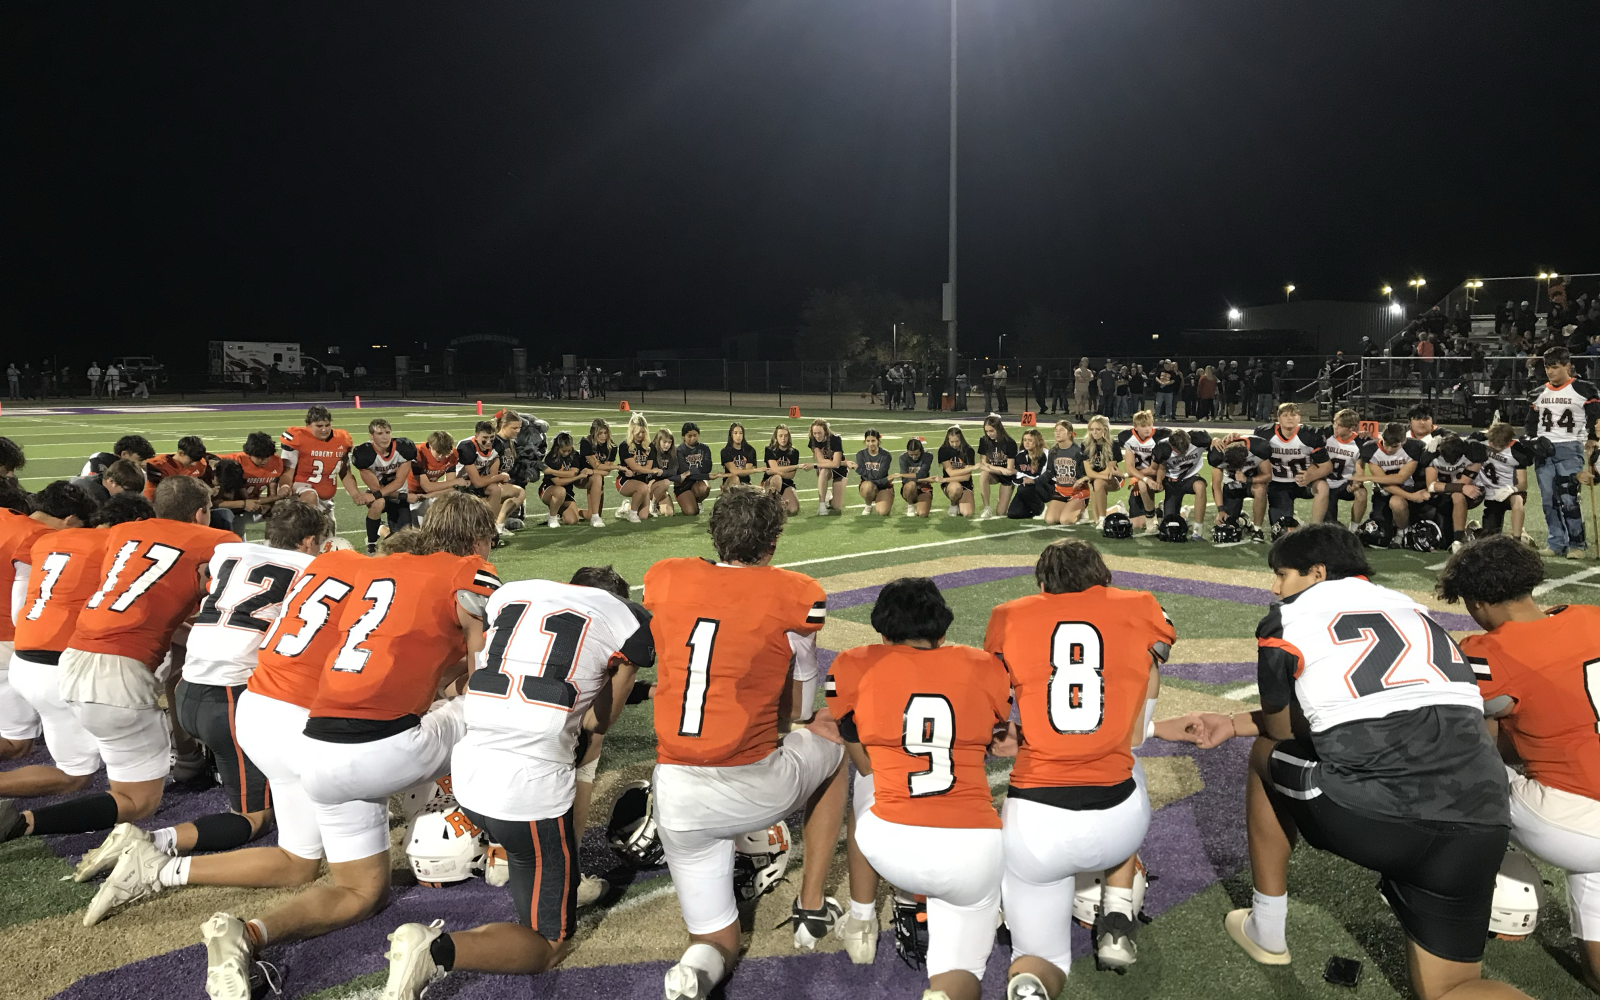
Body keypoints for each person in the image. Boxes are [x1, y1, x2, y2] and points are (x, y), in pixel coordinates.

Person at [1156, 524, 1525, 1000]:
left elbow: (1283, 729)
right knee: (1455, 987)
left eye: (1282, 574)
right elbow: (1355, 704)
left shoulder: (1290, 617)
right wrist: (1231, 719)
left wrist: (1238, 725)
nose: (1275, 587)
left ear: (1317, 572)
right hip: (1482, 821)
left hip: (1380, 815)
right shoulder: (1417, 614)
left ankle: (1266, 925)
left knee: (1266, 756)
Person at [193, 492, 499, 999]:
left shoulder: (361, 568)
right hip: (385, 748)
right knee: (508, 709)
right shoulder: (468, 573)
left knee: (360, 893)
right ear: (478, 540)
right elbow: (487, 675)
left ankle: (248, 934)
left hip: (315, 745)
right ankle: (505, 848)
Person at [377, 566, 655, 999]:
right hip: (530, 796)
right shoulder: (621, 621)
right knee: (549, 944)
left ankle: (511, 861)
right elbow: (598, 724)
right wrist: (622, 674)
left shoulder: (515, 597)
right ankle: (436, 950)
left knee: (530, 860)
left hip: (468, 775)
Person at [80, 502, 335, 924]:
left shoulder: (232, 553)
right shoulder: (311, 571)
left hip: (186, 688)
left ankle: (141, 836)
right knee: (256, 818)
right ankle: (155, 847)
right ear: (310, 541)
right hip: (231, 699)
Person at [645, 486, 846, 999]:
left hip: (676, 790)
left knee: (715, 937)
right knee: (834, 742)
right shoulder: (794, 592)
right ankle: (812, 902)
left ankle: (696, 973)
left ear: (715, 533)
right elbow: (801, 710)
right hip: (753, 783)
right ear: (773, 541)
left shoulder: (666, 577)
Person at [0, 477, 236, 849]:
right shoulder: (218, 541)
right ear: (201, 512)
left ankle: (184, 759)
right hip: (116, 671)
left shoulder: (117, 536)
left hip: (71, 656)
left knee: (82, 769)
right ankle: (20, 824)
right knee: (137, 800)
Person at [987, 539, 1174, 992]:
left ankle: (1032, 979)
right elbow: (1155, 656)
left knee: (1037, 958)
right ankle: (1117, 912)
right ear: (1103, 575)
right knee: (1130, 762)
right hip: (1118, 819)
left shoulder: (1008, 616)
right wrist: (1137, 728)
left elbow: (995, 703)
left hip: (1035, 819)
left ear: (1041, 583)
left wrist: (1010, 732)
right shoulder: (1142, 606)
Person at [827, 578, 1010, 1000]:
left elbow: (856, 740)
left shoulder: (856, 664)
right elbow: (997, 734)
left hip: (889, 843)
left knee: (868, 783)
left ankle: (861, 920)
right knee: (961, 970)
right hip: (972, 848)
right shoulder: (982, 665)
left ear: (883, 632)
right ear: (942, 631)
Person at [1441, 536, 1600, 994]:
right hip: (1586, 818)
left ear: (1475, 600)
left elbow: (1463, 736)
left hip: (1571, 821)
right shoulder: (1591, 616)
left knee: (1449, 767)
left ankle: (1472, 890)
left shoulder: (1487, 652)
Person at [4, 490, 147, 792]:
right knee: (76, 774)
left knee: (24, 744)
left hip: (24, 658)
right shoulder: (115, 547)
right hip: (58, 668)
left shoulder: (49, 540)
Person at [0, 482, 95, 764]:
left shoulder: (5, 516)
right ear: (69, 520)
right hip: (4, 641)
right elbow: (23, 611)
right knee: (17, 743)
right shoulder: (37, 539)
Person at [1524, 347, 1599, 558]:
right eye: (1547, 367)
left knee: (1568, 497)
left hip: (1570, 447)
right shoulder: (1538, 393)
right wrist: (1532, 442)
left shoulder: (1584, 389)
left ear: (1568, 366)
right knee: (1548, 499)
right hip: (1544, 448)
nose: (1550, 371)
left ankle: (1577, 544)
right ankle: (1556, 542)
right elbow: (1530, 424)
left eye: (1555, 367)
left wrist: (1593, 439)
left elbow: (1595, 417)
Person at [1249, 402, 1331, 529]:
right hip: (1278, 483)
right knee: (1282, 529)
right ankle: (1291, 517)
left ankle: (1315, 528)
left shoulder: (1309, 435)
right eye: (1285, 415)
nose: (1290, 418)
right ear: (1278, 418)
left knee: (1323, 486)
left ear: (1299, 418)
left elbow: (1327, 466)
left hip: (1304, 483)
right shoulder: (1265, 434)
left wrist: (1310, 476)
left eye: (1293, 415)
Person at [278, 405, 360, 516]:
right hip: (301, 493)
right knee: (310, 498)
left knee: (327, 532)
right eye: (319, 426)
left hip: (326, 500)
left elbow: (345, 472)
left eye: (327, 425)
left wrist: (355, 494)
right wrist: (285, 486)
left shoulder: (342, 439)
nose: (324, 429)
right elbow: (287, 471)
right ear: (308, 425)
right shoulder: (298, 438)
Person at [1357, 421, 1431, 538]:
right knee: (1379, 534)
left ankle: (1402, 534)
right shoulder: (1371, 450)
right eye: (1386, 444)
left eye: (1394, 446)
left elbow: (1401, 478)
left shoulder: (1414, 447)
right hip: (1383, 494)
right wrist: (1412, 496)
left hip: (1408, 488)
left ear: (1404, 441)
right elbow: (1384, 483)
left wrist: (1412, 495)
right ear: (1382, 437)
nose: (1389, 449)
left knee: (1397, 502)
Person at [1468, 422, 1535, 543]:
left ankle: (1517, 538)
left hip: (1509, 491)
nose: (1498, 448)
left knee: (1518, 500)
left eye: (1502, 445)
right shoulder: (1478, 441)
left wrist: (1511, 490)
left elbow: (1523, 484)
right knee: (1490, 539)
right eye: (1494, 444)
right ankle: (1472, 529)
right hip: (1488, 493)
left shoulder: (1517, 451)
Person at [457, 419, 524, 535]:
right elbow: (477, 481)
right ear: (476, 436)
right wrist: (500, 477)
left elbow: (492, 475)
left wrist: (496, 478)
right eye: (485, 438)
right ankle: (484, 527)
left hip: (481, 483)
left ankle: (496, 526)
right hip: (462, 486)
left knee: (518, 492)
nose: (489, 442)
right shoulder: (467, 447)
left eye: (491, 438)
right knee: (494, 488)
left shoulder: (497, 445)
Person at [1422, 433, 1484, 549]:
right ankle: (1469, 531)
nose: (1451, 463)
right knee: (1443, 542)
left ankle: (1458, 541)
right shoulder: (1432, 455)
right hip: (1443, 496)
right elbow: (1430, 486)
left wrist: (1454, 487)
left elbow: (1465, 483)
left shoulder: (1473, 455)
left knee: (1457, 495)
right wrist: (1459, 487)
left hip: (1471, 493)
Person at [1116, 411, 1171, 534]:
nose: (1147, 429)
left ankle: (1151, 521)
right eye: (1143, 426)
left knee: (1142, 484)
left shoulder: (1159, 437)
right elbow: (1129, 467)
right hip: (1142, 475)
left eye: (1149, 425)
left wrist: (1134, 475)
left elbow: (1154, 468)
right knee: (1137, 525)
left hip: (1161, 474)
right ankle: (1156, 512)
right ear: (1135, 427)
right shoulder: (1128, 438)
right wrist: (1140, 477)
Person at [1150, 428, 1211, 535]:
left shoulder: (1199, 439)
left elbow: (1213, 446)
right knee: (1171, 521)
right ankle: (1181, 512)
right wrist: (1159, 481)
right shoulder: (1163, 447)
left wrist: (1215, 441)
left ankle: (1198, 530)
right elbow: (1161, 467)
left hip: (1190, 477)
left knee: (1200, 486)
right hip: (1172, 482)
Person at [1317, 409, 1368, 527]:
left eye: (1340, 425)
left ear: (1351, 428)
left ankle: (1354, 529)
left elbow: (1360, 468)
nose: (1335, 427)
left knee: (1361, 493)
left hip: (1345, 482)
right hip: (1325, 481)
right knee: (1329, 525)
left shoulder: (1360, 443)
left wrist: (1356, 483)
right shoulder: (1325, 434)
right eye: (1334, 422)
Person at [1044, 421, 1090, 526]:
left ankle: (1082, 511)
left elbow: (1089, 474)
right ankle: (1067, 509)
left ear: (1070, 433)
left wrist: (1081, 480)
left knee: (1065, 521)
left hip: (1078, 492)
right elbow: (1049, 473)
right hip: (1061, 491)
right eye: (1055, 431)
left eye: (1061, 430)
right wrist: (1034, 482)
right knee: (1050, 520)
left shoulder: (1079, 452)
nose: (1057, 433)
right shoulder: (1053, 451)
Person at [577, 419, 621, 529]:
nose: (603, 436)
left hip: (595, 478)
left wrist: (592, 471)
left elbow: (606, 471)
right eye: (600, 433)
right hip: (581, 477)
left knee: (589, 514)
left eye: (605, 433)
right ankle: (595, 517)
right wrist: (616, 466)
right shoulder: (586, 442)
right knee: (597, 477)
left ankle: (573, 512)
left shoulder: (612, 447)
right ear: (593, 433)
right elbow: (597, 465)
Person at [1080, 415, 1123, 527]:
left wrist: (1091, 477)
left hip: (1115, 479)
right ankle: (1117, 509)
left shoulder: (1113, 444)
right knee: (1095, 519)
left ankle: (1103, 520)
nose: (1094, 432)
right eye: (1092, 429)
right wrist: (1091, 477)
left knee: (1098, 483)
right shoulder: (1085, 444)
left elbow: (1110, 471)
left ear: (1105, 430)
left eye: (1098, 429)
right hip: (1096, 479)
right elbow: (1088, 472)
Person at [407, 430, 459, 521]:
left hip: (430, 494)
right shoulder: (418, 453)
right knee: (414, 531)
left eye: (445, 453)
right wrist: (456, 482)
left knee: (454, 496)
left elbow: (452, 487)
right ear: (431, 446)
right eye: (439, 452)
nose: (442, 456)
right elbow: (427, 487)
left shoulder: (452, 454)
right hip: (410, 495)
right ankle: (382, 529)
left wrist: (429, 495)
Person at [1004, 428, 1054, 521]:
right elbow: (1015, 479)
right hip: (1026, 488)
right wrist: (1023, 478)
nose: (1026, 443)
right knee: (1013, 513)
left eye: (1030, 440)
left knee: (1024, 488)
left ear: (1037, 442)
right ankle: (1035, 510)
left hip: (1046, 487)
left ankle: (1042, 510)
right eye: (1025, 440)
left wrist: (1024, 477)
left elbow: (1042, 477)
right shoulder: (1020, 455)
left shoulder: (1046, 454)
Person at [975, 414, 1019, 520]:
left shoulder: (1010, 443)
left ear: (998, 429)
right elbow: (983, 463)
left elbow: (1008, 470)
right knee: (984, 475)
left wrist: (996, 469)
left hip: (1007, 478)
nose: (989, 434)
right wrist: (999, 469)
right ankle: (987, 507)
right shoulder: (984, 441)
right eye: (986, 431)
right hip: (994, 473)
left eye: (991, 431)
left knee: (1000, 512)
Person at [537, 432, 585, 527]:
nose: (566, 453)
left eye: (569, 450)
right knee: (560, 491)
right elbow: (557, 482)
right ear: (557, 447)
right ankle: (552, 518)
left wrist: (552, 471)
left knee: (572, 521)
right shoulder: (550, 457)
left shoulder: (574, 454)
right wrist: (578, 477)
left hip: (567, 492)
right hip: (549, 489)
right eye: (564, 451)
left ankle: (558, 510)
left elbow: (573, 472)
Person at [617, 413, 658, 523]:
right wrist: (652, 471)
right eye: (638, 432)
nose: (640, 435)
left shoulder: (650, 446)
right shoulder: (624, 445)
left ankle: (627, 507)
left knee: (644, 516)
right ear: (632, 431)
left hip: (642, 481)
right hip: (625, 481)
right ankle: (632, 514)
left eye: (643, 432)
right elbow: (635, 467)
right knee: (643, 487)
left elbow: (647, 466)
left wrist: (646, 470)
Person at [763, 424, 808, 516]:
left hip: (786, 483)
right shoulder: (770, 449)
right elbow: (775, 469)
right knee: (777, 478)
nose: (783, 438)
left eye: (786, 436)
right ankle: (770, 505)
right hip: (771, 482)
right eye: (780, 436)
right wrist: (796, 466)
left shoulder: (794, 452)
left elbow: (790, 475)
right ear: (776, 437)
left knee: (793, 509)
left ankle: (779, 503)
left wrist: (774, 471)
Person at [807, 419, 847, 516]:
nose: (817, 436)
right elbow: (821, 461)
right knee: (823, 470)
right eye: (814, 433)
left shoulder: (835, 439)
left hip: (839, 470)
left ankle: (828, 497)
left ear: (826, 431)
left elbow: (836, 464)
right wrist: (834, 462)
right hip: (825, 468)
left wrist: (814, 465)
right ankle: (821, 505)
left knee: (836, 507)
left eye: (819, 433)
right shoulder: (813, 440)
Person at [851, 428, 895, 515]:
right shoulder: (860, 454)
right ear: (865, 441)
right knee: (868, 486)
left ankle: (881, 498)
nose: (870, 444)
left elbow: (879, 474)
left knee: (883, 512)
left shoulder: (885, 455)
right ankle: (868, 506)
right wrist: (886, 479)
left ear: (878, 440)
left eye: (873, 441)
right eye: (868, 441)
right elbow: (871, 477)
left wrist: (858, 469)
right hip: (869, 486)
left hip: (883, 486)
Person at [673, 422, 714, 516]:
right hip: (683, 485)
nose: (693, 438)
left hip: (697, 482)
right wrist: (699, 471)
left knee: (704, 487)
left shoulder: (704, 448)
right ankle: (685, 499)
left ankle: (698, 501)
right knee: (691, 512)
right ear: (684, 436)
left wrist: (691, 471)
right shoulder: (679, 450)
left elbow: (707, 467)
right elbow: (684, 470)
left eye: (695, 435)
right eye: (689, 436)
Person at [70, 457, 145, 508]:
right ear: (112, 481)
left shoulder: (101, 483)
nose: (132, 495)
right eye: (128, 490)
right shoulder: (94, 494)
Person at [937, 426, 976, 517]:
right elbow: (950, 473)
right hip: (950, 483)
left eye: (957, 441)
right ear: (948, 440)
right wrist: (971, 468)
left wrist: (943, 479)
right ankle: (953, 503)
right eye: (952, 442)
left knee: (967, 514)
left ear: (961, 439)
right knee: (956, 488)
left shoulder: (969, 450)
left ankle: (961, 500)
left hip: (965, 483)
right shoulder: (943, 450)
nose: (954, 444)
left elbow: (966, 477)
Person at [897, 437, 935, 517]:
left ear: (921, 451)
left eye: (916, 454)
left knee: (922, 514)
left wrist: (922, 478)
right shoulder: (903, 458)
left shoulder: (928, 456)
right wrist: (926, 479)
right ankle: (910, 505)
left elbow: (923, 473)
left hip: (923, 487)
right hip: (909, 489)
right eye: (911, 454)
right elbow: (906, 479)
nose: (914, 457)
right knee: (911, 484)